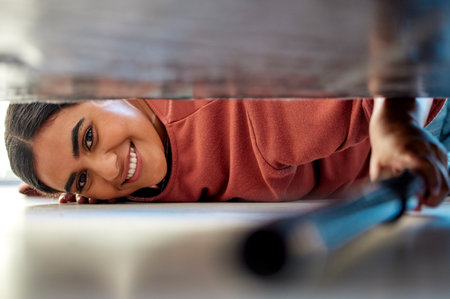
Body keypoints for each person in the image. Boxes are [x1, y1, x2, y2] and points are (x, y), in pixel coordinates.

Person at [4, 97, 449, 207]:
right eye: (81, 178)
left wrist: (400, 120)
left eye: (88, 138)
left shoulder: (257, 114)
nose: (109, 168)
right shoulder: (122, 177)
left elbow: (408, 35)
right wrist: (61, 175)